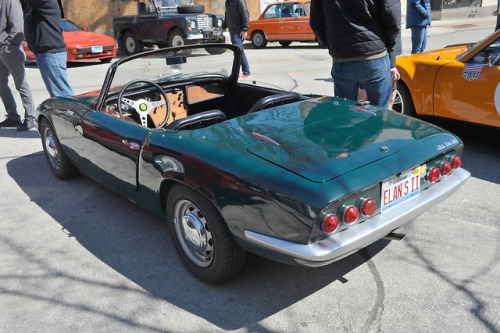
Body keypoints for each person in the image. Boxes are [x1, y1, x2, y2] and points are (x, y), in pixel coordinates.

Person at [310, 0, 401, 109]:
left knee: (344, 115)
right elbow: (392, 18)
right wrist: (389, 46)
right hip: (374, 57)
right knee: (379, 114)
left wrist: (334, 46)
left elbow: (316, 22)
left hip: (343, 58)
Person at [22, 0, 74, 97]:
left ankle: (71, 111)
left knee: (62, 94)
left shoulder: (46, 1)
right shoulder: (33, 5)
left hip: (51, 53)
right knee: (57, 94)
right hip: (45, 54)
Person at [0, 0, 36, 131]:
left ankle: (31, 117)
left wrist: (8, 48)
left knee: (20, 83)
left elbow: (18, 28)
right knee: (1, 85)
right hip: (2, 49)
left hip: (10, 50)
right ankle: (13, 117)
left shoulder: (10, 1)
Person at [223, 0, 250, 78]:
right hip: (232, 30)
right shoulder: (227, 2)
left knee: (238, 51)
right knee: (238, 51)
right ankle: (244, 72)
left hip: (238, 30)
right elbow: (227, 15)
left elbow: (245, 14)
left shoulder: (239, 1)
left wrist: (245, 29)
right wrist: (223, 27)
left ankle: (246, 72)